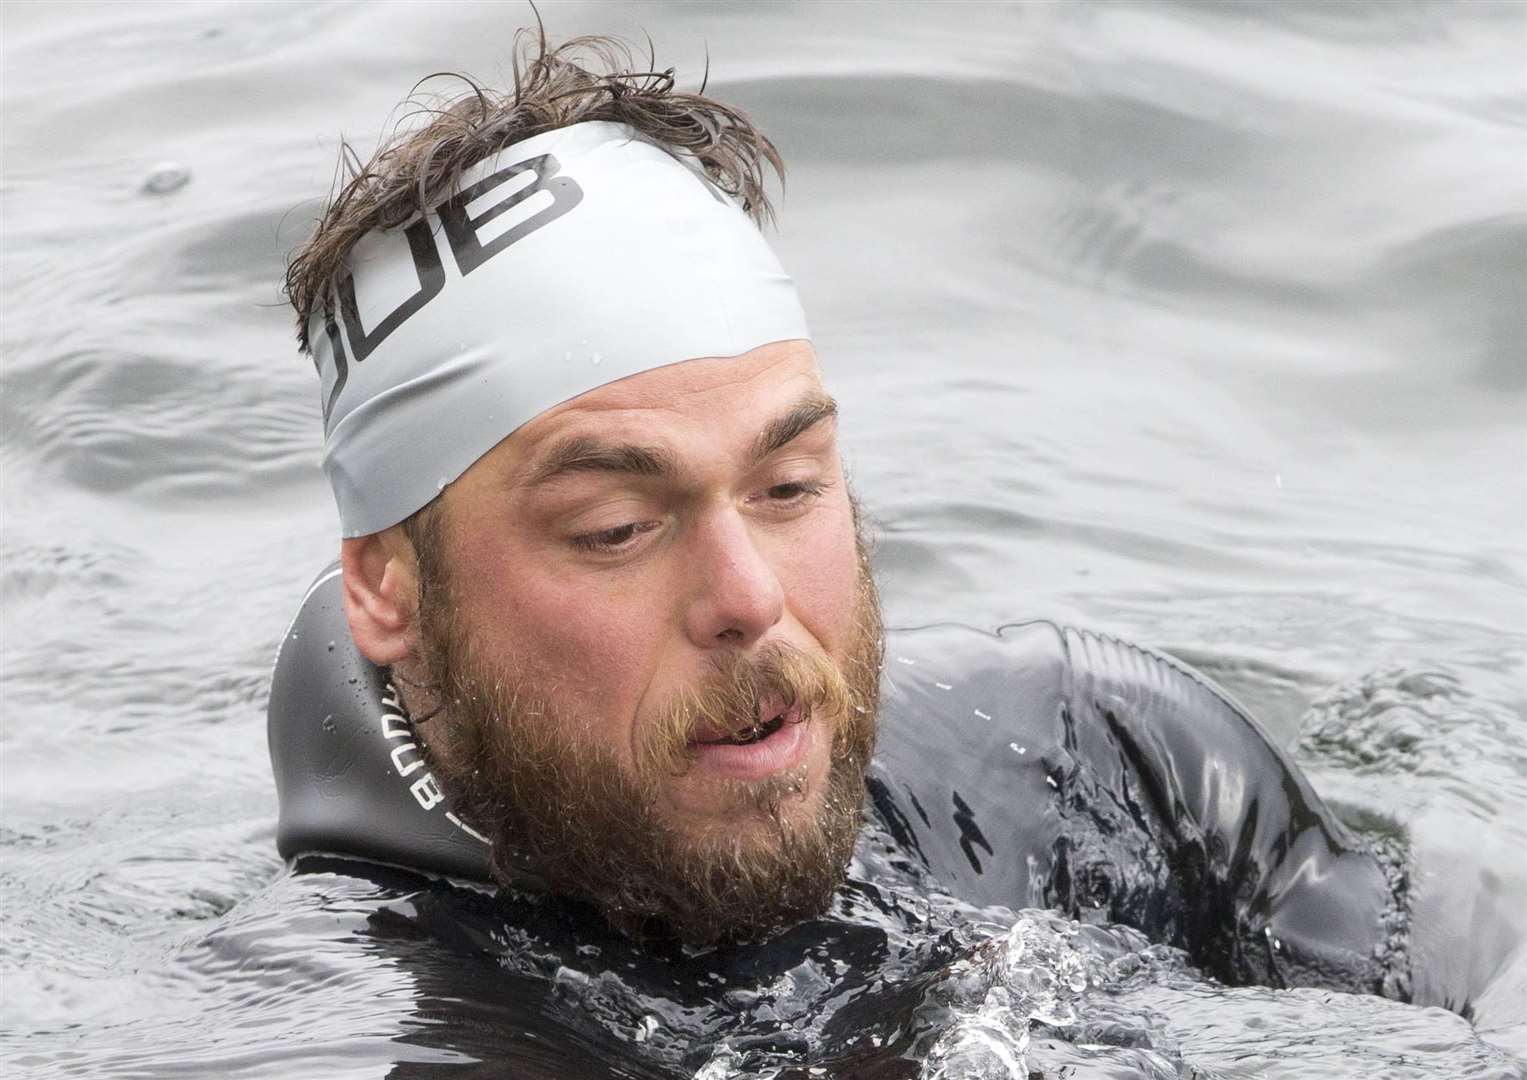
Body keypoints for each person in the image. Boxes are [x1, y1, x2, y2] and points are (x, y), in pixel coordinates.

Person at [271, 30, 1409, 998]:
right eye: (619, 527)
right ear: (388, 591)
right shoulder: (353, 1034)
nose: (750, 598)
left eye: (788, 488)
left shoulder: (1088, 762)